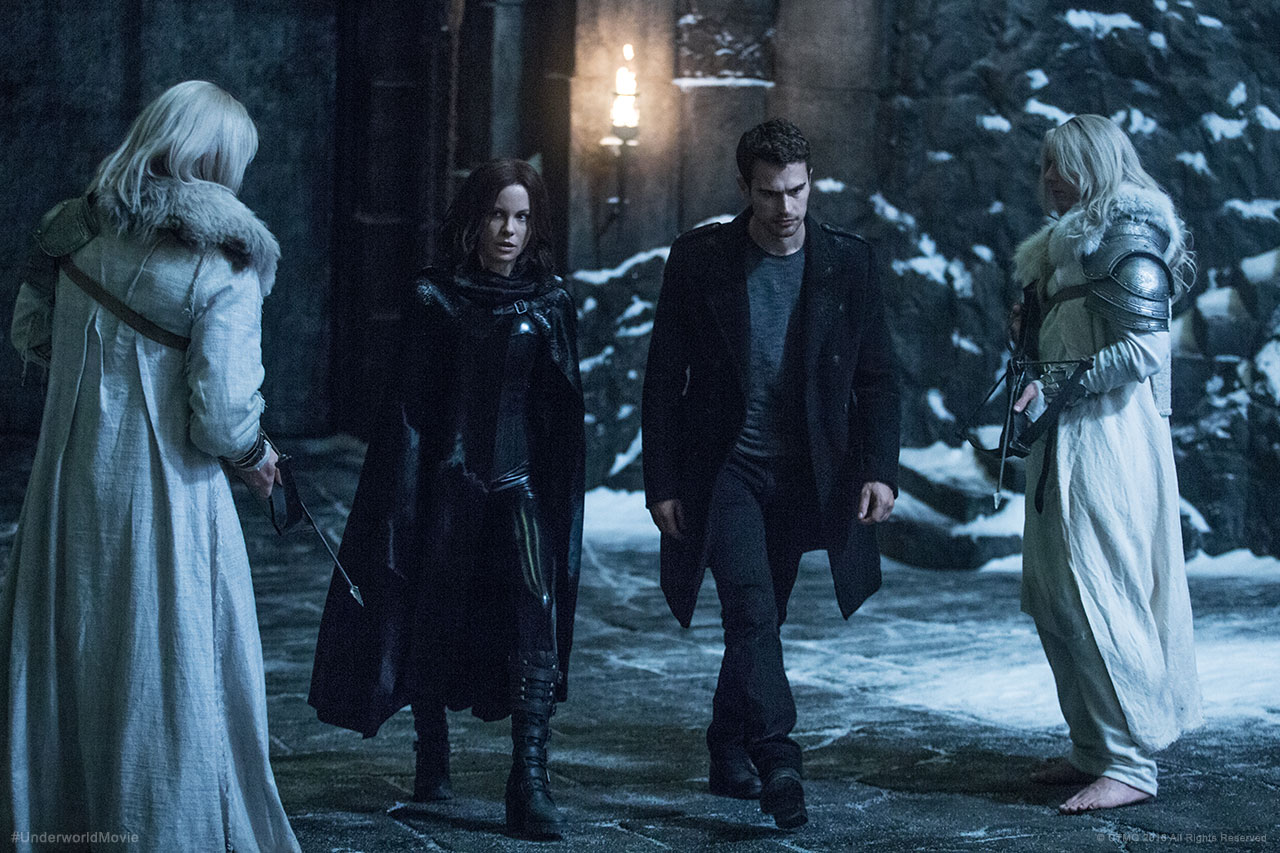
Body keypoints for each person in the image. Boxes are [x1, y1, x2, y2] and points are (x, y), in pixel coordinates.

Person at [1, 81, 299, 851]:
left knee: (70, 649)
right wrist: (255, 458)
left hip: (68, 488)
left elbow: (30, 332)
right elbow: (223, 413)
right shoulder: (227, 264)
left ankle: (58, 828)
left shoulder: (72, 228)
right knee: (161, 659)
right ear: (217, 162)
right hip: (167, 497)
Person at [308, 158, 584, 840]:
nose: (509, 230)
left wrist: (559, 497)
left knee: (535, 610)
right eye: (497, 214)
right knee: (432, 610)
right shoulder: (434, 298)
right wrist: (401, 498)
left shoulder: (550, 303)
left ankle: (530, 778)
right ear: (474, 218)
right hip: (445, 486)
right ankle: (431, 750)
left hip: (518, 485)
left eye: (522, 217)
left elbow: (561, 415)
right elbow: (408, 408)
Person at [642, 118, 900, 829]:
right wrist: (661, 481)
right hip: (726, 467)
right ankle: (778, 757)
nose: (786, 208)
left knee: (765, 616)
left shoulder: (848, 263)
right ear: (743, 188)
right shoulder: (700, 260)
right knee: (750, 608)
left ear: (811, 183)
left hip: (803, 473)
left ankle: (728, 741)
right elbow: (663, 377)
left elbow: (878, 378)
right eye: (769, 193)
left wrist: (878, 469)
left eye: (797, 190)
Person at [1010, 114, 1201, 813]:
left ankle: (1130, 763)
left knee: (1101, 592)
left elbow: (1145, 350)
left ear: (1090, 166)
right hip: (1064, 435)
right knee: (1057, 594)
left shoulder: (1123, 236)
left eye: (1057, 165)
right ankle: (1094, 747)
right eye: (1044, 165)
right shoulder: (1062, 250)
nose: (1046, 179)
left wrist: (1059, 383)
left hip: (1108, 441)